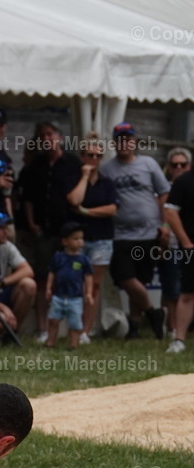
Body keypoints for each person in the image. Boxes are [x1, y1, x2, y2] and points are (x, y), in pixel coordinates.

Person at [100, 122, 168, 340]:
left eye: (128, 139)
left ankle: (135, 326)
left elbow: (164, 194)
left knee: (140, 279)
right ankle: (153, 313)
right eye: (119, 139)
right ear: (114, 143)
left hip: (149, 233)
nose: (124, 143)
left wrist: (165, 225)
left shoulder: (148, 164)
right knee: (124, 276)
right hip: (120, 234)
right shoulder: (106, 169)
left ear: (134, 142)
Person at [20, 122, 82, 341]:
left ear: (59, 137)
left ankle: (72, 328)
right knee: (43, 278)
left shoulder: (72, 163)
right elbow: (27, 197)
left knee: (70, 277)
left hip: (67, 230)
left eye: (49, 134)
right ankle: (43, 328)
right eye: (42, 135)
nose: (46, 138)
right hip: (43, 230)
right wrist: (32, 223)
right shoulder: (36, 165)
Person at [64, 132, 118, 344]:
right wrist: (85, 177)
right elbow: (73, 200)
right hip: (78, 241)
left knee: (93, 286)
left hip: (101, 239)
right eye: (89, 155)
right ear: (82, 156)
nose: (94, 159)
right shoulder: (72, 180)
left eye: (98, 156)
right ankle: (73, 329)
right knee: (74, 284)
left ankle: (86, 330)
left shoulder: (107, 183)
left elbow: (112, 209)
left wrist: (86, 212)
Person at [0, 210, 36, 337]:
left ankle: (11, 334)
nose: (5, 231)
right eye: (0, 228)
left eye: (5, 227)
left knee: (29, 284)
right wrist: (4, 309)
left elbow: (27, 270)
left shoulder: (7, 246)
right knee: (0, 322)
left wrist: (2, 282)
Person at [158, 147, 191, 352]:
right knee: (187, 294)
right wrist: (186, 242)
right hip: (190, 247)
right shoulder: (184, 182)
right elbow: (170, 213)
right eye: (175, 164)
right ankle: (179, 339)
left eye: (182, 163)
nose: (178, 167)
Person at [44, 222, 94, 350]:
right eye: (75, 239)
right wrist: (49, 288)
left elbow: (88, 276)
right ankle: (50, 342)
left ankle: (73, 344)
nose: (79, 242)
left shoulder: (83, 259)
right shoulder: (58, 257)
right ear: (65, 241)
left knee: (75, 323)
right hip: (58, 296)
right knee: (53, 320)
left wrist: (88, 293)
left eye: (81, 238)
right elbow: (52, 273)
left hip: (75, 298)